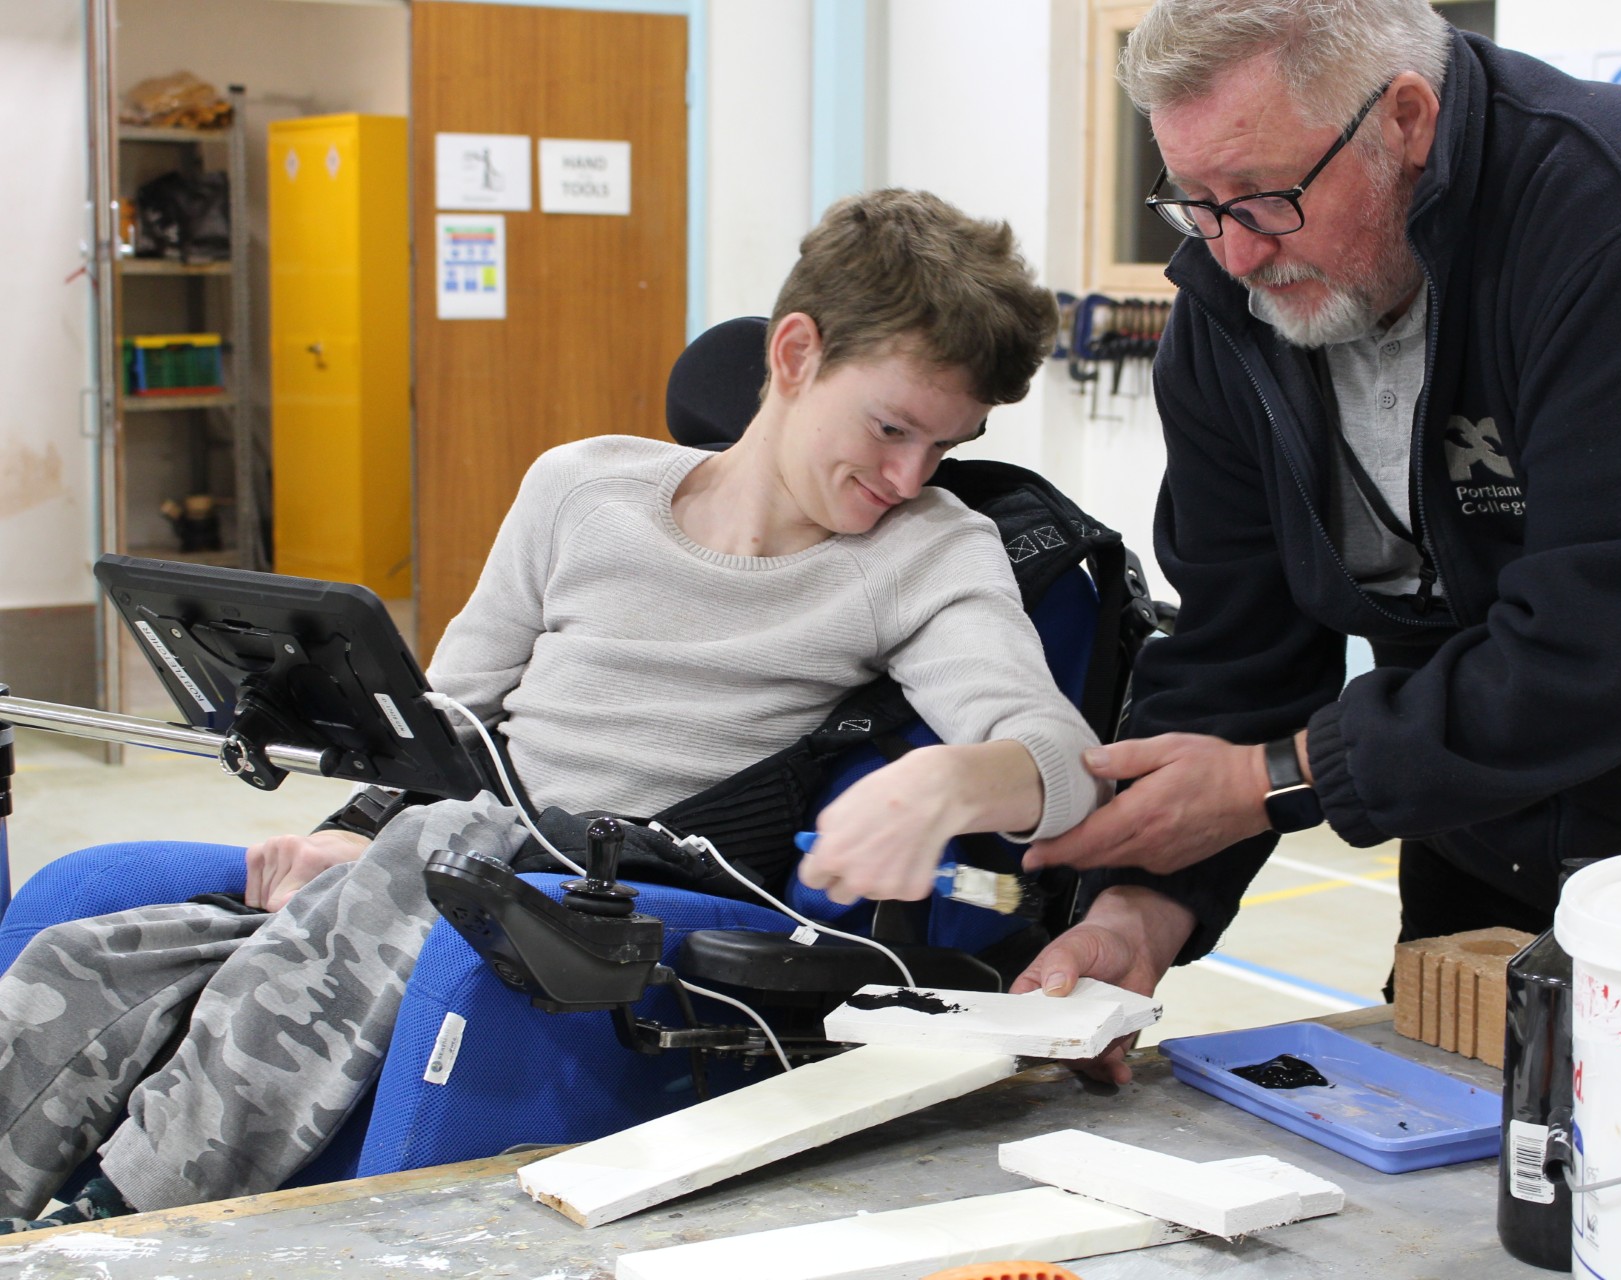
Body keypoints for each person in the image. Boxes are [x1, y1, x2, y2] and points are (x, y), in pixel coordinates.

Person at [0, 188, 1104, 1231]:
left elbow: (1059, 752)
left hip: (627, 894)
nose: (911, 476)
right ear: (796, 354)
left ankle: (119, 1226)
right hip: (451, 857)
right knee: (97, 953)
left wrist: (953, 777)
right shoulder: (579, 488)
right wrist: (340, 834)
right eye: (892, 429)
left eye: (945, 447)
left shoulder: (929, 551)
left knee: (434, 846)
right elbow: (444, 722)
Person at [1014, 0, 1621, 1080]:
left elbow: (1601, 649)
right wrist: (1141, 911)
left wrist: (1286, 775)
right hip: (1483, 834)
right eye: (1195, 203)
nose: (1237, 251)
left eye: (1265, 196)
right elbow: (1238, 648)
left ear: (1405, 119)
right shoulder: (1230, 305)